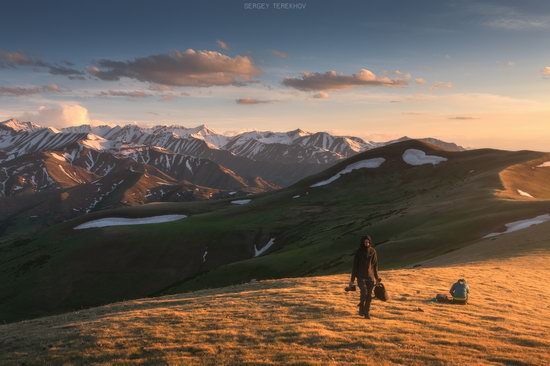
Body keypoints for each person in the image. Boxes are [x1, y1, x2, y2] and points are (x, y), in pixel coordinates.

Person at [349, 235, 381, 319]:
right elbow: (354, 266)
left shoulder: (373, 251)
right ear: (362, 242)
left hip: (370, 278)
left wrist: (377, 278)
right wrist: (352, 280)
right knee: (364, 292)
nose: (366, 243)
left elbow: (375, 266)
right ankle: (361, 308)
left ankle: (366, 313)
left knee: (369, 296)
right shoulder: (358, 252)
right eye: (365, 242)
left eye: (368, 242)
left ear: (370, 242)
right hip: (360, 277)